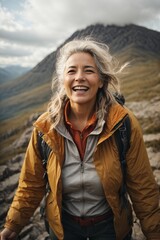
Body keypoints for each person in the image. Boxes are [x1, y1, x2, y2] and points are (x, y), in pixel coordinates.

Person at [0, 37, 160, 240]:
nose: (79, 77)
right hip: (64, 230)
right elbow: (30, 184)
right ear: (62, 81)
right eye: (71, 71)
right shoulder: (45, 128)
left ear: (101, 80)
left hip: (110, 229)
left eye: (89, 70)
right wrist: (12, 226)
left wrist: (155, 233)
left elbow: (143, 187)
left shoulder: (123, 124)